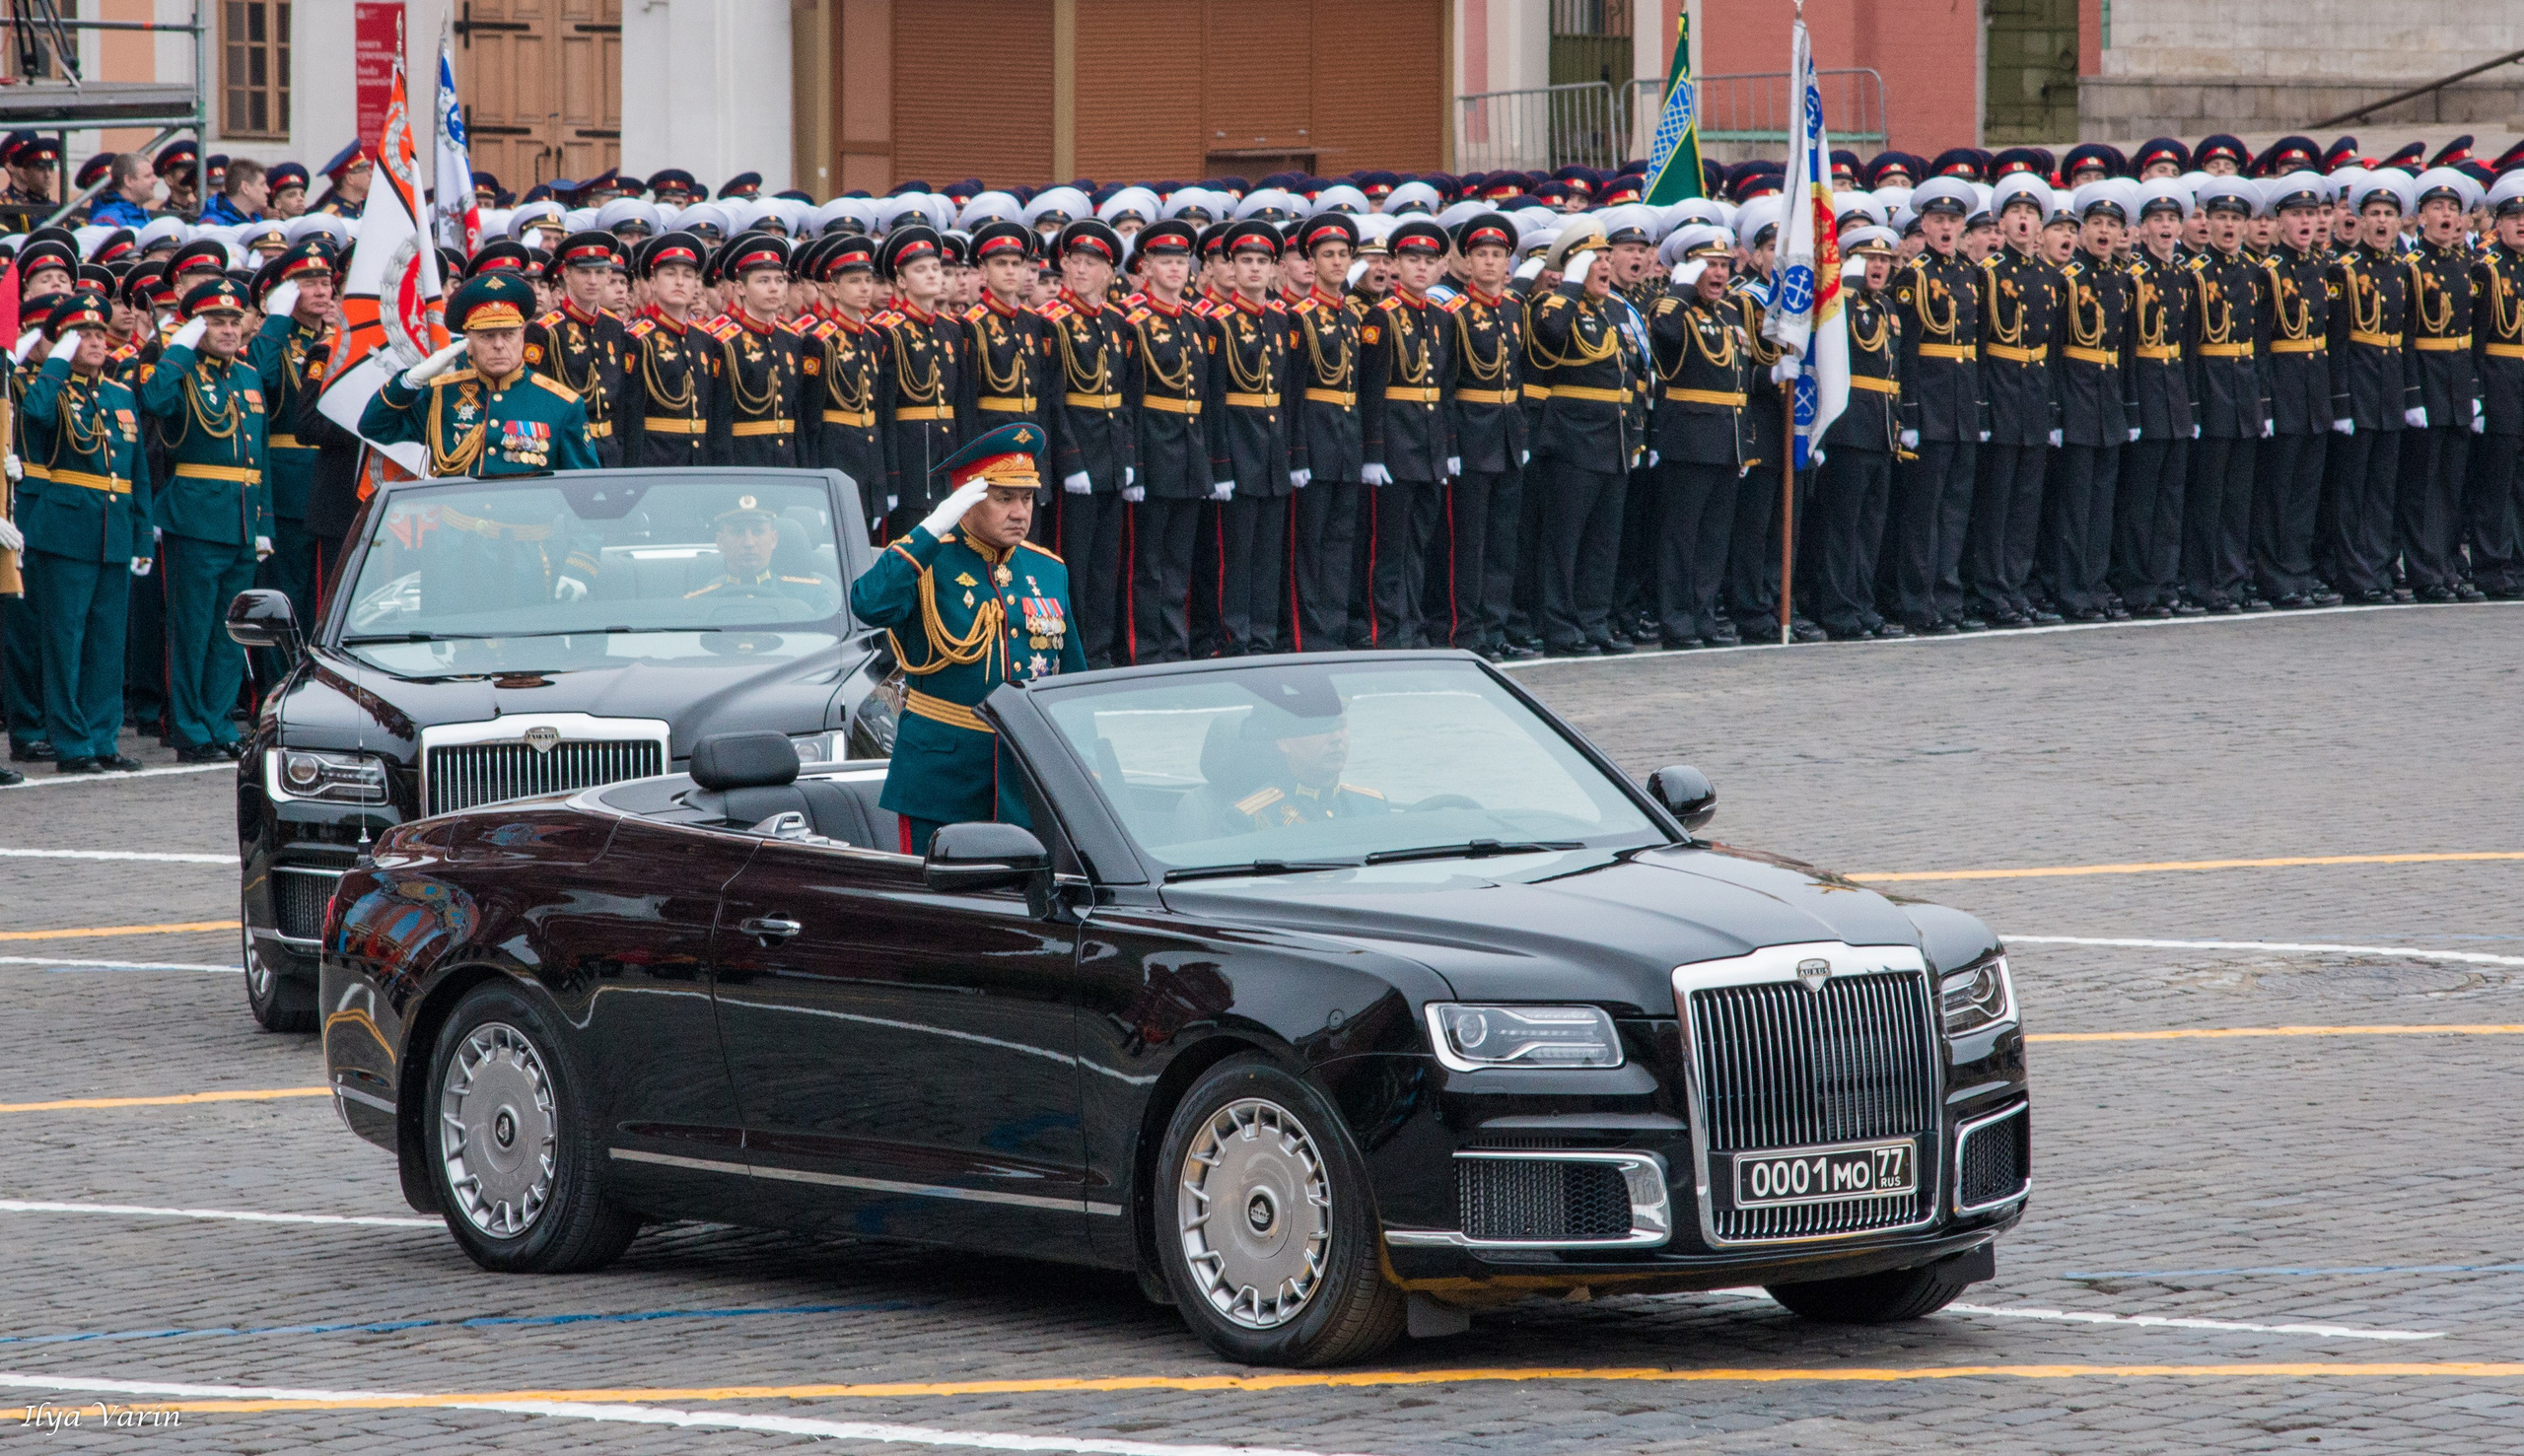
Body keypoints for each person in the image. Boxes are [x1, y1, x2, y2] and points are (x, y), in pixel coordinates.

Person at [848, 422, 1084, 854]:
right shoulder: (928, 560)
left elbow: (1072, 682)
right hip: (942, 778)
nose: (1020, 512)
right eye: (1004, 498)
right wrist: (932, 528)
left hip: (1027, 779)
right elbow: (869, 603)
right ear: (966, 501)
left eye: (1027, 498)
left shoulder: (1048, 569)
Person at [17, 290, 151, 773]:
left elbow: (137, 474)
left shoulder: (119, 394)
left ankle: (101, 738)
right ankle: (72, 743)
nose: (95, 341)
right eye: (82, 335)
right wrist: (55, 361)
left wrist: (141, 536)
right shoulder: (50, 389)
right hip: (66, 529)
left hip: (114, 531)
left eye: (98, 333)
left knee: (107, 643)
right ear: (62, 343)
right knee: (65, 642)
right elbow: (36, 415)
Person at [137, 277, 269, 763]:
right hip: (195, 518)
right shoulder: (181, 371)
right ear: (196, 327)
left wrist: (264, 524)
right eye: (216, 321)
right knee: (191, 632)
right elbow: (154, 402)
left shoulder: (248, 377)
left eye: (235, 320)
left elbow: (260, 458)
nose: (229, 329)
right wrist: (178, 349)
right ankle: (190, 730)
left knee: (229, 632)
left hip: (242, 518)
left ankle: (218, 724)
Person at [361, 271, 600, 476]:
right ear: (468, 343)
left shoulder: (561, 405)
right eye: (487, 336)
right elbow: (374, 427)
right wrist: (409, 381)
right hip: (457, 517)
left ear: (522, 337)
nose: (499, 345)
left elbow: (580, 486)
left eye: (508, 335)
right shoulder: (443, 396)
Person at [1882, 175, 1984, 635]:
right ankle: (1917, 602)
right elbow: (1905, 351)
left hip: (1962, 406)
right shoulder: (1912, 277)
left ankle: (1948, 597)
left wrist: (1979, 409)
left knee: (1955, 509)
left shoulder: (1972, 274)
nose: (1946, 228)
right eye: (1938, 220)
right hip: (1930, 404)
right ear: (1923, 225)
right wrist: (1909, 413)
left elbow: (1977, 347)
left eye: (1953, 221)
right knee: (1923, 513)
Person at [1647, 224, 1755, 647]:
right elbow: (1666, 336)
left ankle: (1703, 616)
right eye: (1709, 265)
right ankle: (1676, 621)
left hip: (1727, 440)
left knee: (1713, 539)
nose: (1719, 273)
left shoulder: (1730, 314)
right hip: (1689, 440)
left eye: (1724, 265)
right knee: (1681, 537)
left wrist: (1744, 443)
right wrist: (1679, 290)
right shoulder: (1671, 309)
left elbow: (1738, 379)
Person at [1356, 217, 1455, 648]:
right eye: (1412, 260)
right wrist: (1373, 452)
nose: (1421, 268)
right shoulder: (1381, 317)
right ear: (1396, 265)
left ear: (1439, 267)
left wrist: (1448, 448)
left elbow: (1445, 389)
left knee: (1419, 543)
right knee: (1389, 547)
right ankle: (1388, 629)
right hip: (1396, 444)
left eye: (1429, 261)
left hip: (1428, 446)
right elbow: (1372, 390)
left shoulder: (1442, 318)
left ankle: (1411, 623)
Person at [1043, 218, 1134, 667]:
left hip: (1111, 458)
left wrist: (1128, 457)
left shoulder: (1116, 323)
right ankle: (1071, 653)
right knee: (1071, 565)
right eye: (1075, 261)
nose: (1081, 270)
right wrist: (1070, 459)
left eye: (1091, 264)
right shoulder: (1052, 322)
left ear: (1110, 273)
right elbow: (1054, 400)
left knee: (1104, 565)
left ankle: (1098, 651)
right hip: (1077, 457)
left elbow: (1125, 397)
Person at [1124, 219, 1216, 662]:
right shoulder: (1133, 322)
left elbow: (1204, 399)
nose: (1176, 269)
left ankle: (1174, 646)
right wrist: (1136, 464)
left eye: (1182, 262)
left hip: (1189, 452)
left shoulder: (1197, 323)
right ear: (1145, 267)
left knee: (1178, 561)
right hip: (1153, 447)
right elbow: (1131, 398)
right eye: (1166, 261)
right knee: (1148, 561)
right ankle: (1145, 648)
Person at [1805, 225, 1903, 640]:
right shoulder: (1839, 304)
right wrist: (1845, 285)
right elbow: (1831, 344)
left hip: (1880, 429)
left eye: (1884, 260)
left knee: (1869, 527)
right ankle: (1838, 608)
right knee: (1841, 528)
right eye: (1869, 259)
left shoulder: (1886, 307)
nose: (1878, 266)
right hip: (1849, 428)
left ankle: (1862, 604)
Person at [1439, 210, 1529, 658]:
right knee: (1469, 542)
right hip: (1472, 435)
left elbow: (1520, 376)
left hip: (1508, 435)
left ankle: (1495, 627)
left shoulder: (1515, 308)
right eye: (1481, 255)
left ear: (1508, 262)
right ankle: (1465, 629)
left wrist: (1522, 436)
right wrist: (1451, 444)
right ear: (1468, 262)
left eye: (1497, 254)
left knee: (1502, 541)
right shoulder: (1453, 313)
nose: (1490, 262)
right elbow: (1445, 384)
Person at [1206, 218, 1294, 656]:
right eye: (1246, 261)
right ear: (1232, 267)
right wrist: (1221, 464)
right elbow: (1213, 399)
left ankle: (1263, 635)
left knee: (1268, 553)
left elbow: (1287, 393)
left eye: (1262, 261)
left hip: (1272, 450)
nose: (1255, 268)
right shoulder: (1217, 323)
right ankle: (1233, 637)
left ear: (1274, 268)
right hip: (1237, 447)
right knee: (1235, 554)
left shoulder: (1281, 320)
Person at [245, 241, 338, 653]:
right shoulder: (275, 341)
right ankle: (281, 680)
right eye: (307, 282)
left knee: (331, 595)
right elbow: (259, 382)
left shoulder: (336, 342)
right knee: (288, 597)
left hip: (334, 481)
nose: (320, 290)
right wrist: (277, 319)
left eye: (325, 281)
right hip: (288, 488)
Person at [1284, 211, 1365, 655]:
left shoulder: (1353, 316)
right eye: (1327, 255)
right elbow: (1293, 392)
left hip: (1346, 439)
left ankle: (1333, 627)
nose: (1336, 262)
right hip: (1314, 437)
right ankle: (1307, 633)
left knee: (1340, 541)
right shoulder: (1298, 317)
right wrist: (1298, 452)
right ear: (1311, 263)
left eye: (1342, 254)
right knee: (1308, 543)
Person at [873, 225, 962, 540]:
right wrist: (891, 476)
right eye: (920, 270)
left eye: (936, 268)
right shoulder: (886, 330)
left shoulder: (952, 330)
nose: (932, 275)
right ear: (901, 281)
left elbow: (962, 403)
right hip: (909, 456)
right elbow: (883, 409)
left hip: (947, 453)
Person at [1192, 698, 1388, 836]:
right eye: (1321, 727)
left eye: (1341, 725)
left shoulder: (1373, 807)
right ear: (1284, 742)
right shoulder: (1249, 819)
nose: (1336, 737)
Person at [526, 231, 630, 467]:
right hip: (568, 446)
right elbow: (539, 402)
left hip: (610, 448)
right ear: (567, 275)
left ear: (608, 275)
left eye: (599, 272)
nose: (592, 280)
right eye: (584, 272)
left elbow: (622, 399)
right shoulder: (546, 330)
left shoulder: (614, 326)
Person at [617, 231, 716, 468]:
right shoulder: (637, 338)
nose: (680, 282)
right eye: (670, 274)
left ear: (697, 285)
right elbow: (630, 416)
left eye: (688, 276)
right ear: (652, 282)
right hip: (656, 459)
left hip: (699, 460)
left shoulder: (704, 339)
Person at [684, 493, 839, 614]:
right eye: (738, 532)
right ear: (720, 541)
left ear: (773, 539)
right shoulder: (699, 603)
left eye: (758, 531)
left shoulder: (811, 597)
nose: (749, 543)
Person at [89, 153, 156, 228]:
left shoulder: (142, 215)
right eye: (147, 176)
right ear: (128, 181)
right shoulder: (108, 220)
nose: (155, 180)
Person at [200, 157, 265, 227]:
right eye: (262, 184)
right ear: (245, 187)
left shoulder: (256, 219)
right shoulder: (212, 222)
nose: (267, 190)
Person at [314, 143, 371, 218]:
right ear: (350, 178)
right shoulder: (330, 217)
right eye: (365, 170)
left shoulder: (361, 212)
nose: (370, 174)